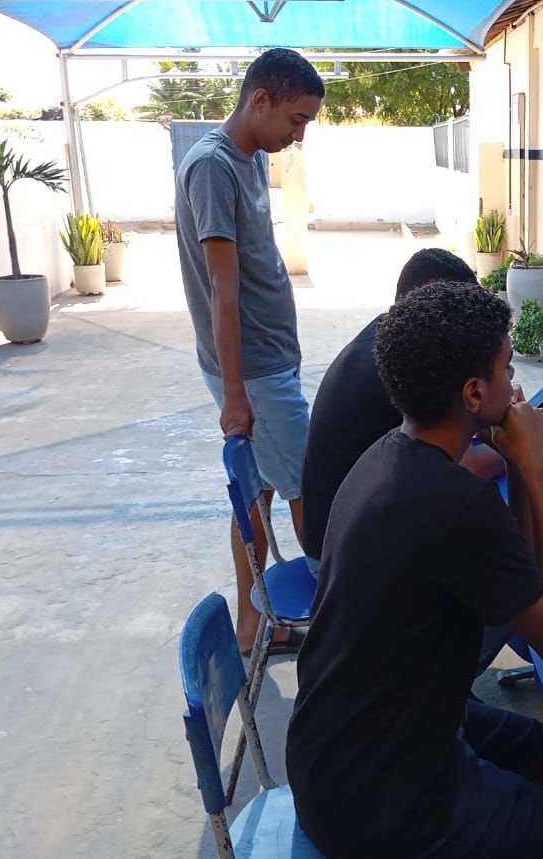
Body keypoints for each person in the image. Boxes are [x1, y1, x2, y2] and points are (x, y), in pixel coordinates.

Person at [287, 281, 543, 858]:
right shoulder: (450, 501)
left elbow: (514, 571)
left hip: (349, 745)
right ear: (471, 392)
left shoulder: (389, 454)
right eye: (508, 369)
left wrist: (515, 461)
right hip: (385, 801)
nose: (516, 387)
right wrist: (539, 471)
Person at [175, 48, 325, 655]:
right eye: (295, 120)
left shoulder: (249, 158)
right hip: (255, 371)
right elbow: (222, 290)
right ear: (259, 100)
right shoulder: (212, 166)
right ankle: (341, 623)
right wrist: (235, 394)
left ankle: (252, 624)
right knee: (310, 494)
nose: (298, 134)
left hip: (269, 360)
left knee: (258, 497)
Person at [299, 247, 504, 575]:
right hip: (339, 563)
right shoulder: (408, 370)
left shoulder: (385, 338)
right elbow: (469, 467)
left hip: (339, 538)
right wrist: (522, 453)